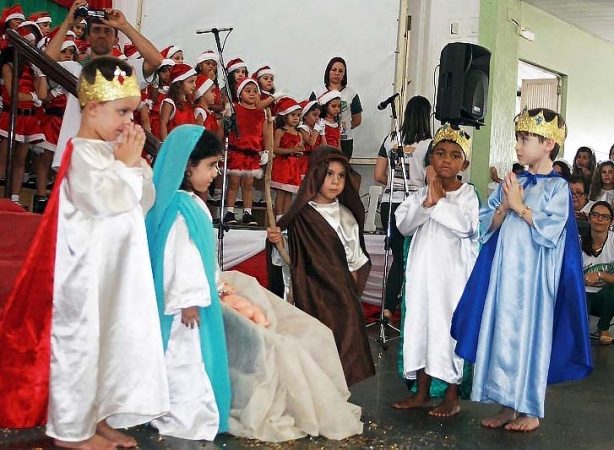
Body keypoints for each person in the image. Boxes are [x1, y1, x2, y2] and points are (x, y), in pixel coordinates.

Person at [147, 125, 363, 442]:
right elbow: (180, 259)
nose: (215, 173)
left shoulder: (193, 204)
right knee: (184, 359)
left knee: (198, 359)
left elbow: (203, 260)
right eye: (209, 166)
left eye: (217, 165)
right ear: (187, 166)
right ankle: (183, 415)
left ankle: (196, 411)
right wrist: (188, 299)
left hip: (199, 300)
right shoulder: (180, 208)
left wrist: (216, 285)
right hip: (186, 308)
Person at [0, 57, 169, 449]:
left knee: (110, 346)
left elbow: (140, 203)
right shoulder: (81, 153)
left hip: (117, 273)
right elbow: (101, 200)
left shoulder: (113, 151)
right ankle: (71, 432)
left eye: (133, 111)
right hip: (84, 277)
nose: (130, 121)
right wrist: (126, 168)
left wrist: (137, 169)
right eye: (122, 111)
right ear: (92, 108)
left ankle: (100, 417)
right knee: (81, 349)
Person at [451, 108, 592, 432]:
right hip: (505, 273)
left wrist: (520, 206)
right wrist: (503, 205)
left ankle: (530, 408)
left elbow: (551, 232)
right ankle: (507, 405)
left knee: (530, 337)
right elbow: (487, 225)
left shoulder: (557, 188)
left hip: (534, 278)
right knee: (503, 333)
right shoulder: (515, 180)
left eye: (525, 139)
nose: (518, 145)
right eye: (518, 139)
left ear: (547, 144)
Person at [267, 146, 375, 387]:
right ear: (315, 175)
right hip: (309, 298)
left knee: (340, 357)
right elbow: (287, 259)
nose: (336, 182)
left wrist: (352, 300)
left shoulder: (346, 217)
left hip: (340, 300)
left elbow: (355, 261)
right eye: (329, 174)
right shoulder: (298, 216)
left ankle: (336, 404)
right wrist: (277, 242)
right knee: (310, 356)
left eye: (341, 175)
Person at [393, 123, 478, 417]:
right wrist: (427, 202)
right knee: (420, 327)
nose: (445, 159)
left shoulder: (467, 195)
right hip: (421, 277)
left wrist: (439, 201)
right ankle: (422, 392)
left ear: (463, 164)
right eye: (440, 153)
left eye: (454, 155)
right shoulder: (419, 195)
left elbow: (467, 227)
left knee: (447, 331)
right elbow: (403, 225)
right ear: (431, 159)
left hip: (451, 280)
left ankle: (452, 395)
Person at [47, 0, 164, 169]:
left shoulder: (127, 72)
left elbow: (156, 59)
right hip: (76, 158)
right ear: (88, 37)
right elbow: (45, 63)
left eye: (107, 31)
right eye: (96, 30)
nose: (102, 35)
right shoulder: (75, 70)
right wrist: (67, 23)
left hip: (113, 160)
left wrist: (124, 25)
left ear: (116, 39)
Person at [374, 95, 433, 319]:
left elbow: (379, 175)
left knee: (397, 256)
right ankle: (400, 306)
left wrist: (394, 182)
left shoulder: (390, 139)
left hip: (389, 204)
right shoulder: (428, 144)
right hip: (412, 205)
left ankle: (388, 306)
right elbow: (431, 179)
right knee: (410, 258)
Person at [0, 22, 47, 207]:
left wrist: (40, 73)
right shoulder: (8, 66)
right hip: (11, 117)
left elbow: (43, 95)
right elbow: (13, 92)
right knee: (3, 158)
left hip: (28, 119)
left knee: (20, 161)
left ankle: (15, 199)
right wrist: (32, 96)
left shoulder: (31, 68)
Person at [33, 39, 77, 213]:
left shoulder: (73, 73)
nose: (67, 55)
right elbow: (45, 97)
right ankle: (42, 195)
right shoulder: (51, 73)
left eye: (71, 53)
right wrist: (57, 90)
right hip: (51, 120)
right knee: (46, 158)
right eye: (64, 51)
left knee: (62, 162)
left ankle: (57, 197)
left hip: (66, 124)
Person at [223, 77, 268, 226]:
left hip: (252, 154)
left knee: (249, 184)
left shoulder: (260, 113)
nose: (252, 94)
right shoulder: (234, 110)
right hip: (237, 152)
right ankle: (230, 211)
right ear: (240, 93)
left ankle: (247, 212)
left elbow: (264, 133)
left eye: (255, 91)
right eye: (248, 91)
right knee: (234, 182)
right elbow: (224, 129)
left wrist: (265, 150)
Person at [310, 57, 362, 160]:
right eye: (334, 70)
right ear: (328, 71)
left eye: (340, 71)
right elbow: (309, 117)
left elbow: (357, 119)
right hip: (321, 139)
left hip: (344, 140)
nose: (337, 73)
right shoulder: (317, 92)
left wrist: (341, 129)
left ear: (344, 74)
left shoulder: (351, 94)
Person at [581, 201, 614, 345]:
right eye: (595, 215)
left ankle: (604, 328)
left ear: (611, 221)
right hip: (584, 294)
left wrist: (601, 275)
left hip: (605, 296)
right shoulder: (578, 242)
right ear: (589, 218)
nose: (600, 219)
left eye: (605, 217)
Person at [271, 97, 304, 216]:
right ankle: (279, 216)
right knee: (281, 192)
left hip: (293, 167)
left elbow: (300, 149)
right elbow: (275, 149)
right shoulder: (280, 131)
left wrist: (299, 151)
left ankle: (286, 216)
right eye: (293, 115)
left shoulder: (299, 133)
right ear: (285, 116)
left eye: (298, 115)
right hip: (283, 166)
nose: (296, 118)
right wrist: (291, 150)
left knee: (289, 192)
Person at [159, 63, 197, 140]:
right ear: (179, 83)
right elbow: (163, 124)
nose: (194, 85)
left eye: (195, 82)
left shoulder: (189, 103)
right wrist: (166, 146)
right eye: (191, 82)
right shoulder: (169, 103)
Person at [297, 100, 325, 177]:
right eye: (314, 115)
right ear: (305, 115)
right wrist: (316, 130)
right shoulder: (303, 128)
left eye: (318, 116)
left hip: (316, 158)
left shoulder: (315, 129)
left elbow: (324, 145)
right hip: (306, 159)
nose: (317, 118)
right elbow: (311, 143)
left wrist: (322, 133)